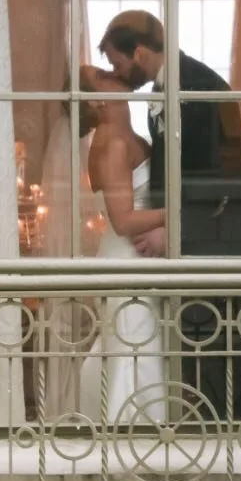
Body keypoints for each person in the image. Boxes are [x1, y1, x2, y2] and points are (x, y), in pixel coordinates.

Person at [98, 11, 241, 421]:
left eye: (119, 64)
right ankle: (216, 432)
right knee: (200, 339)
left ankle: (235, 437)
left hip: (217, 232)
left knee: (214, 339)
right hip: (196, 232)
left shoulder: (201, 85)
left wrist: (174, 228)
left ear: (139, 52)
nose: (118, 74)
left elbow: (215, 177)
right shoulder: (164, 90)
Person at [78, 65, 167, 424]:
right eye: (102, 75)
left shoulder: (125, 135)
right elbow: (123, 220)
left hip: (138, 255)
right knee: (136, 347)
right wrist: (176, 215)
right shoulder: (113, 142)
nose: (112, 73)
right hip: (129, 257)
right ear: (98, 100)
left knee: (134, 343)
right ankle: (131, 434)